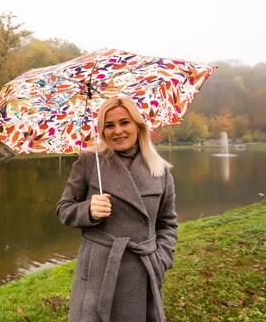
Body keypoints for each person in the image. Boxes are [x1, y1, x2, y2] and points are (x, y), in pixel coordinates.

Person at [56, 96, 178, 322]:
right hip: (98, 273)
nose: (118, 131)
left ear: (138, 126)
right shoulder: (89, 161)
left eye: (124, 122)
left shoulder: (160, 170)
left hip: (142, 271)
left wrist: (161, 260)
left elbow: (168, 224)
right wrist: (88, 211)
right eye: (109, 125)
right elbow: (64, 209)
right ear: (102, 131)